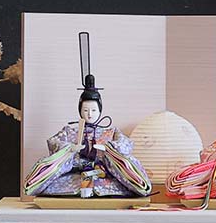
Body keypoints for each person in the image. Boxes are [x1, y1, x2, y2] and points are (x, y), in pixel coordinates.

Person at [23, 35, 151, 198]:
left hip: (104, 175)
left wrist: (109, 149)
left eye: (93, 110)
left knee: (118, 186)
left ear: (100, 111)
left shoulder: (111, 132)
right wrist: (69, 149)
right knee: (59, 188)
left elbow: (126, 145)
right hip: (74, 176)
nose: (89, 114)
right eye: (85, 110)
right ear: (80, 110)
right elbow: (54, 143)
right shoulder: (70, 131)